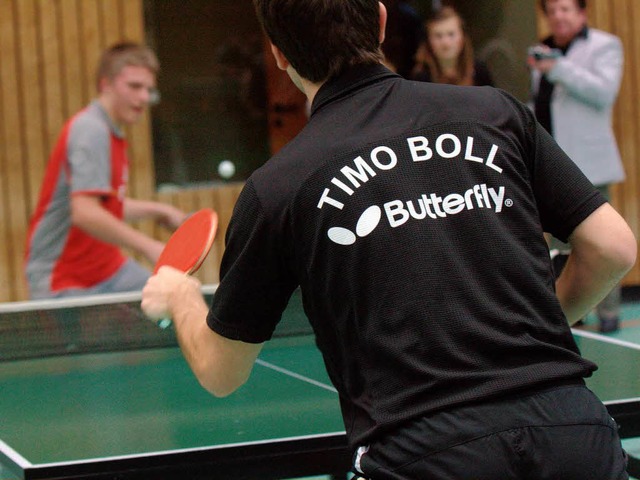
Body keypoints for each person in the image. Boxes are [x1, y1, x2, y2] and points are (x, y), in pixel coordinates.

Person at [141, 1, 636, 478]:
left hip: (422, 452)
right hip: (573, 431)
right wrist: (535, 326)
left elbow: (221, 372)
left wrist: (181, 297)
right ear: (380, 21)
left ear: (278, 53)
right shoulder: (495, 112)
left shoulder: (277, 187)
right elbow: (613, 248)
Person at [25, 42, 187, 300]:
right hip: (65, 277)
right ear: (105, 85)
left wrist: (159, 210)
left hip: (107, 268)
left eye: (148, 89)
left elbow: (106, 206)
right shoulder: (91, 130)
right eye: (134, 86)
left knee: (174, 301)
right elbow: (85, 213)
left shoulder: (113, 133)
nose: (144, 97)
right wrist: (149, 246)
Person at [528, 0, 626, 332]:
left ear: (581, 13)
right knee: (559, 245)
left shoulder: (604, 45)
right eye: (552, 10)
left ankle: (609, 317)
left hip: (591, 164)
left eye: (565, 9)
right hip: (554, 166)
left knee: (601, 242)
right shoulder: (543, 51)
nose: (558, 16)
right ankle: (572, 318)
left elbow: (603, 92)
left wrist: (556, 68)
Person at [412, 6, 493, 86]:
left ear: (463, 37)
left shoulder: (480, 71)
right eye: (438, 36)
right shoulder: (421, 79)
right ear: (428, 41)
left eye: (451, 34)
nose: (445, 43)